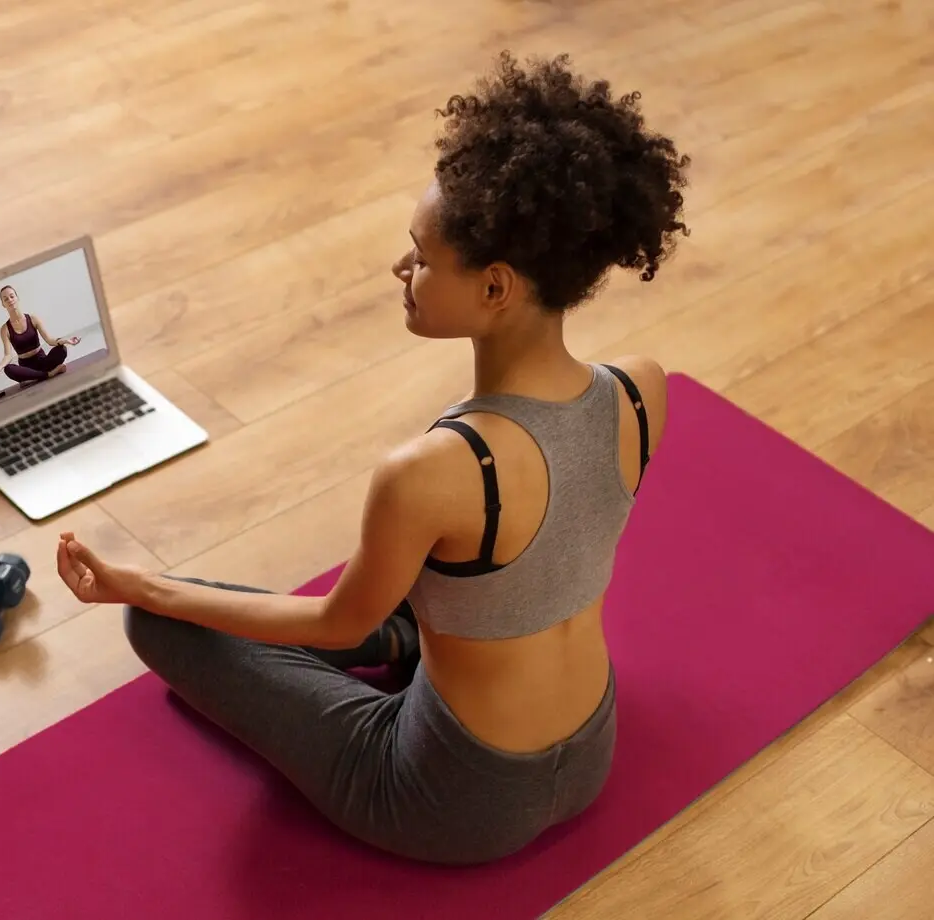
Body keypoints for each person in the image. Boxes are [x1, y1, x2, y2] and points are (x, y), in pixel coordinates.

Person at [54, 52, 688, 866]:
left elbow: (332, 621)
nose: (403, 270)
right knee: (441, 586)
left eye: (421, 257)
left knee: (166, 621)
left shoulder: (431, 472)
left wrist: (133, 585)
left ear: (495, 288)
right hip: (592, 749)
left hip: (452, 798)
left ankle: (394, 641)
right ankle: (406, 641)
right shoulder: (644, 392)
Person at [0, 285, 81, 384]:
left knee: (62, 349)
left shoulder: (33, 319)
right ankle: (49, 374)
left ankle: (35, 378)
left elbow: (50, 340)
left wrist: (67, 340)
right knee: (8, 369)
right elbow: (8, 355)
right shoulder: (5, 329)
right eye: (6, 299)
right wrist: (0, 367)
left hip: (43, 361)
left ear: (17, 298)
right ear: (3, 304)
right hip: (26, 368)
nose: (10, 300)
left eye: (12, 296)